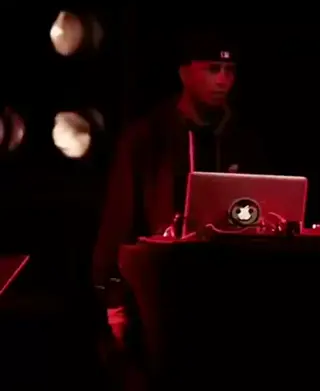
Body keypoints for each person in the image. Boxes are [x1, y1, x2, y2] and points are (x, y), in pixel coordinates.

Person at [92, 31, 268, 367]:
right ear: (184, 73)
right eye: (213, 69)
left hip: (230, 300)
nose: (223, 80)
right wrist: (114, 302)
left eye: (230, 70)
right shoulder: (146, 138)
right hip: (159, 299)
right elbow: (118, 223)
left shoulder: (243, 138)